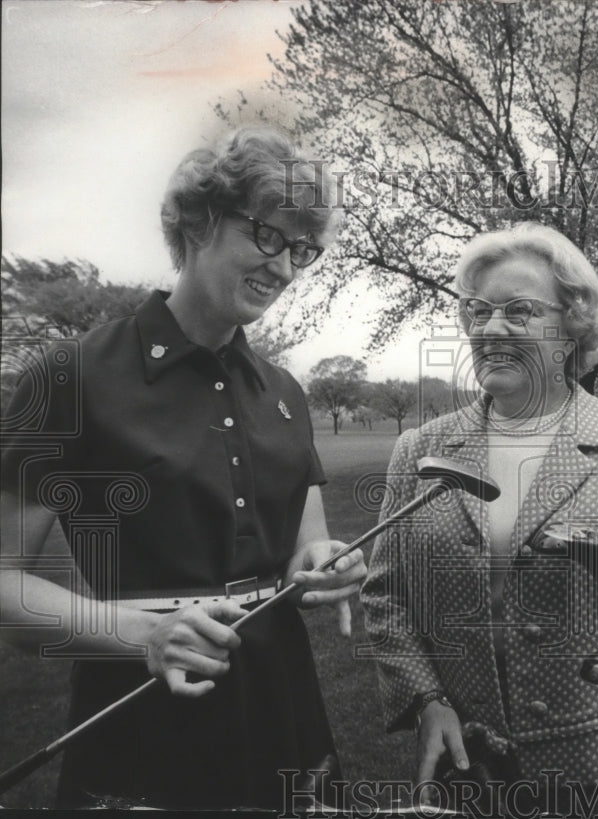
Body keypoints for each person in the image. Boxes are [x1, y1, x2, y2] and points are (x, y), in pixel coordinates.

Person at [0, 126, 366, 810]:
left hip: (283, 704)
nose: (285, 269)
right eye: (267, 235)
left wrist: (324, 562)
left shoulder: (286, 392)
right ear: (199, 220)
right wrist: (145, 636)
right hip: (140, 715)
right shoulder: (69, 377)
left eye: (302, 250)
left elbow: (302, 551)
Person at [361, 222, 598, 816]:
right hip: (470, 770)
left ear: (571, 324)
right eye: (477, 311)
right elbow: (387, 596)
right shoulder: (420, 451)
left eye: (519, 311)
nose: (491, 328)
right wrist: (426, 699)